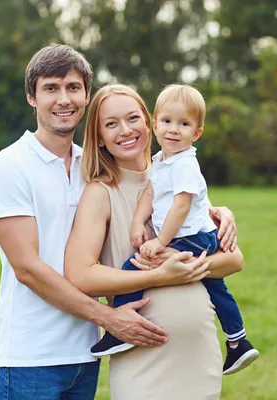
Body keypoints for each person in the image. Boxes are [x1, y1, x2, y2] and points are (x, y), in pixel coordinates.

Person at [0, 44, 224, 399]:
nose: (63, 99)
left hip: (84, 352)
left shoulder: (91, 166)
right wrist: (108, 318)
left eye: (73, 88)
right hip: (33, 355)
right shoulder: (11, 166)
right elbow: (28, 269)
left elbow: (170, 195)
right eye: (51, 88)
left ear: (86, 96)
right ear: (32, 97)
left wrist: (221, 212)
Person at [64, 84, 246, 400]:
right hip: (141, 356)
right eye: (111, 124)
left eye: (133, 118)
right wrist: (162, 275)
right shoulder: (100, 193)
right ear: (99, 137)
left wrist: (189, 261)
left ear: (148, 123)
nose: (125, 130)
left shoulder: (176, 173)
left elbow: (233, 261)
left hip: (196, 353)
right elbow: (81, 276)